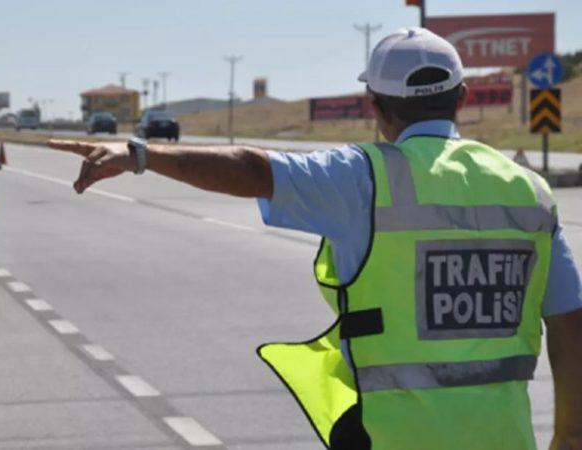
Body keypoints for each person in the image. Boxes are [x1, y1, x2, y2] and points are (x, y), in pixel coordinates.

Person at [46, 28, 582, 450]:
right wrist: (570, 436)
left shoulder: (363, 177)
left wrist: (139, 155)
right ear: (461, 97)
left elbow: (252, 169)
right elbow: (568, 320)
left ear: (375, 105)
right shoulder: (529, 191)